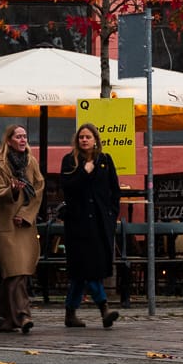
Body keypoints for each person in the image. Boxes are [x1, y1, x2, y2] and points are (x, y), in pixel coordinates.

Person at [59, 123, 121, 330]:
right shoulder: (70, 161)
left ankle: (70, 311)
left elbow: (114, 190)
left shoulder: (105, 160)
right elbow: (67, 188)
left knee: (82, 271)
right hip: (78, 223)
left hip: (100, 223)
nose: (84, 140)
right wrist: (83, 173)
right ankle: (104, 308)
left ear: (95, 139)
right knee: (88, 267)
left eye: (88, 137)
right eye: (81, 137)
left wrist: (111, 215)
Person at [0, 124, 45, 334]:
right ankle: (23, 315)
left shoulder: (31, 161)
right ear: (9, 140)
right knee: (15, 271)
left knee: (15, 273)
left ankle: (3, 318)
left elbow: (38, 189)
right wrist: (11, 191)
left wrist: (26, 214)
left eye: (25, 136)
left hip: (24, 225)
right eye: (18, 136)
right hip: (5, 224)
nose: (23, 140)